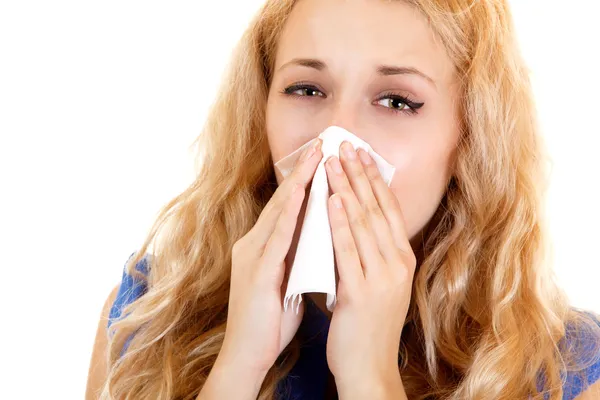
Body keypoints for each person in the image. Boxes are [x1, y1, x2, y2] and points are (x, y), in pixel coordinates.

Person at [85, 0, 600, 399]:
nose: (336, 138)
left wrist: (369, 376)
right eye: (307, 89)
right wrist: (238, 365)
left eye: (396, 101)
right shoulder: (150, 322)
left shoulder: (563, 368)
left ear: (469, 138)